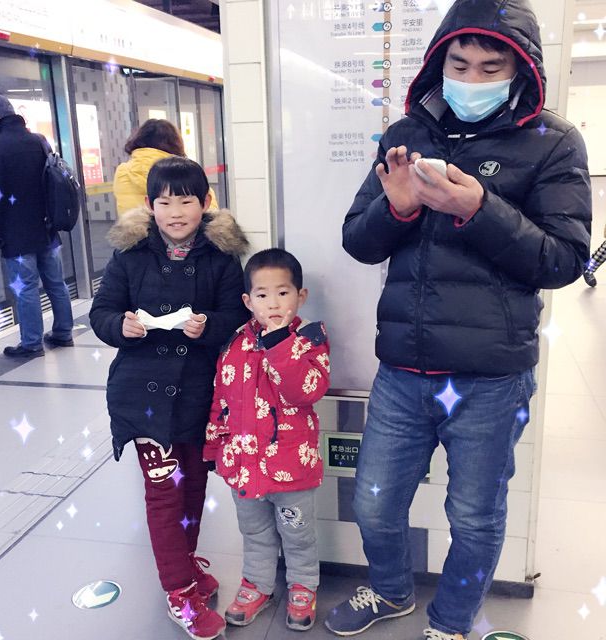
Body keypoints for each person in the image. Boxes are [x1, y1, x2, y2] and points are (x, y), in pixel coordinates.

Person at [324, 1, 591, 639]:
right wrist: (396, 210)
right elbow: (358, 242)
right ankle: (391, 592)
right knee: (373, 503)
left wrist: (478, 208)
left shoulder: (554, 142)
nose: (471, 80)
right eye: (459, 64)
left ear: (521, 69)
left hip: (491, 379)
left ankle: (450, 621)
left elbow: (564, 259)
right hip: (403, 370)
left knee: (474, 516)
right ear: (438, 62)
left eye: (490, 68)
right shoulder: (405, 134)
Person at [90, 156, 249, 640]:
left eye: (186, 201)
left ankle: (185, 561)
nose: (175, 212)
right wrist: (120, 326)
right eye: (164, 202)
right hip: (140, 397)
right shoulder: (130, 255)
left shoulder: (222, 258)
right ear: (149, 205)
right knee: (164, 492)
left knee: (194, 485)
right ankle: (179, 591)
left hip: (198, 393)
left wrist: (210, 326)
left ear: (205, 203)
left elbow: (236, 315)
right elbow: (101, 312)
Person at [203, 248, 330, 632]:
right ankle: (257, 585)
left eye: (282, 293)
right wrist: (214, 447)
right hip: (243, 466)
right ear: (248, 301)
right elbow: (220, 399)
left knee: (298, 534)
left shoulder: (309, 339)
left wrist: (278, 343)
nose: (272, 303)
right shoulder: (234, 344)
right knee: (254, 532)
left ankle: (303, 586)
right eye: (262, 295)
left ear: (300, 296)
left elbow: (305, 390)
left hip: (292, 468)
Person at [0, 94, 74, 358]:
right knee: (56, 283)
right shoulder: (38, 141)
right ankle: (63, 333)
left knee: (26, 288)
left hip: (16, 234)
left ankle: (32, 343)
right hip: (47, 228)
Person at [113, 118, 219, 215]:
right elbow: (210, 213)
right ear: (175, 143)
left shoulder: (123, 171)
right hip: (181, 228)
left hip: (135, 229)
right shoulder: (182, 172)